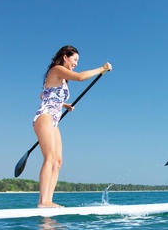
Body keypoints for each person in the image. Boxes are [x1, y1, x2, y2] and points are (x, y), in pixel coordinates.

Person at [34, 45, 112, 207]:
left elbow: (44, 94)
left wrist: (64, 105)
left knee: (58, 161)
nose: (76, 63)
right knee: (49, 158)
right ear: (65, 57)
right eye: (74, 59)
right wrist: (102, 68)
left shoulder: (60, 78)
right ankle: (43, 201)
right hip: (45, 117)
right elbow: (80, 77)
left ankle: (48, 200)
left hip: (54, 119)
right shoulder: (56, 69)